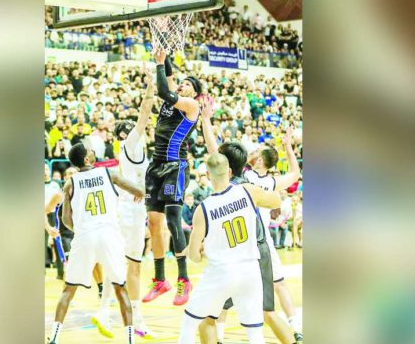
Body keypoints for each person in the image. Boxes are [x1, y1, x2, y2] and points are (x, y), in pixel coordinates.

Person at [198, 98, 303, 343]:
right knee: (269, 303)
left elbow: (214, 151)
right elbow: (282, 192)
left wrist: (205, 120)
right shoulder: (259, 183)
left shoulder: (238, 182)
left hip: (243, 246)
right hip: (258, 243)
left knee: (217, 309)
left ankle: (292, 325)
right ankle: (293, 329)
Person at [177, 153, 282, 344]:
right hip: (250, 271)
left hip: (221, 273)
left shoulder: (203, 209)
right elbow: (276, 200)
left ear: (208, 175)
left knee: (189, 322)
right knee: (255, 333)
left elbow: (193, 256)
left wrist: (202, 250)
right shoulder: (248, 191)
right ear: (230, 172)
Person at [47, 143, 144, 344]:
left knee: (68, 289)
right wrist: (139, 192)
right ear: (87, 159)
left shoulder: (70, 183)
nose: (93, 151)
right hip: (109, 235)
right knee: (120, 287)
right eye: (90, 150)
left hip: (84, 236)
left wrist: (82, 229)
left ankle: (54, 338)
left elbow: (66, 219)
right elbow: (140, 190)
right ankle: (130, 340)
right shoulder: (109, 174)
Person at [93, 64, 156, 340]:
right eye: (134, 128)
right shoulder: (131, 142)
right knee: (130, 266)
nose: (142, 128)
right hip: (128, 211)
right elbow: (144, 113)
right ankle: (112, 312)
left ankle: (118, 314)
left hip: (132, 209)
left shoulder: (135, 150)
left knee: (126, 265)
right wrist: (151, 85)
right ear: (126, 133)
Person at [143, 48, 202, 306]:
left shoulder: (191, 105)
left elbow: (165, 90)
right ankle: (160, 280)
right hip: (155, 165)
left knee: (173, 221)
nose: (183, 85)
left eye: (188, 84)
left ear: (195, 92)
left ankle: (184, 279)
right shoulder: (173, 99)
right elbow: (168, 77)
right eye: (183, 82)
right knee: (154, 223)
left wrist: (158, 64)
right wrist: (162, 51)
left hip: (175, 166)